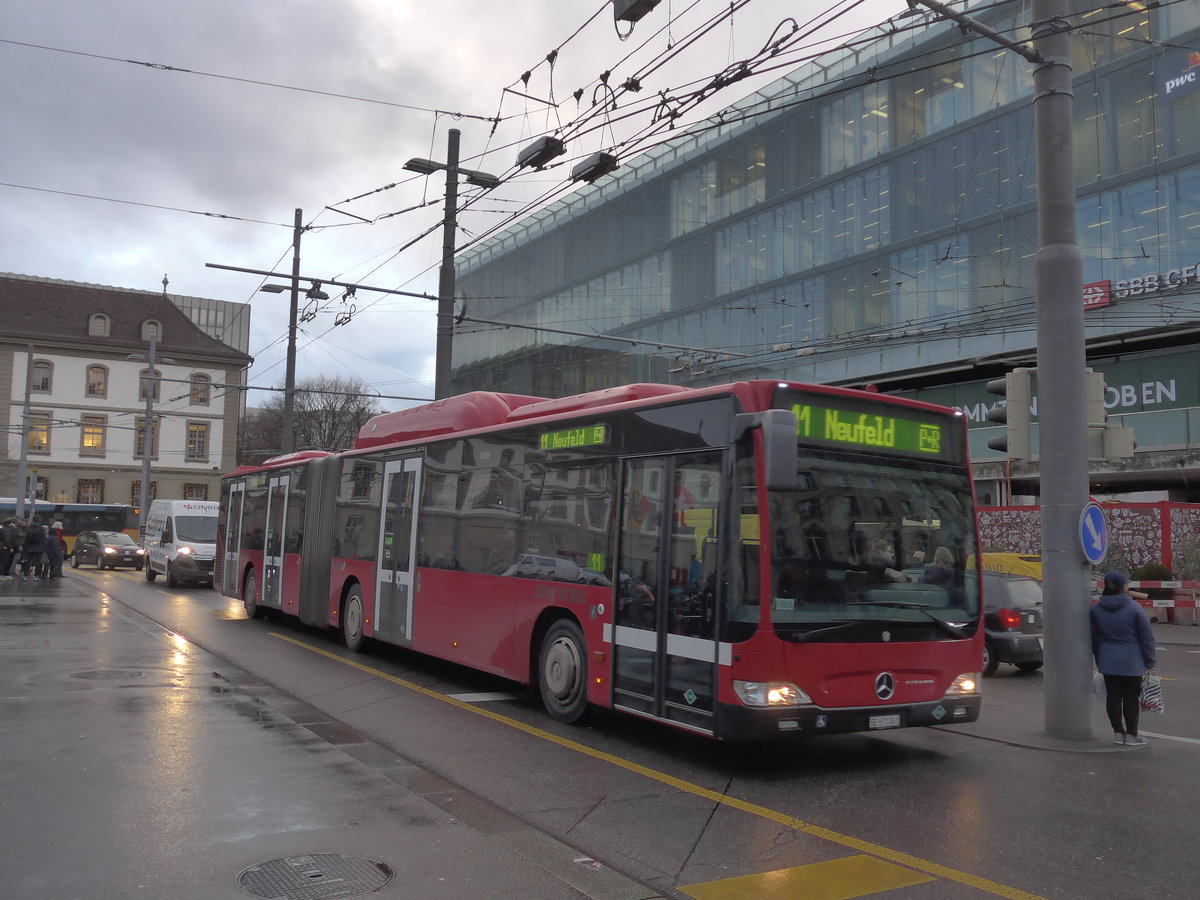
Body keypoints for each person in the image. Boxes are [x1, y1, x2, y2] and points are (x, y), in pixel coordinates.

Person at [1090, 570, 1157, 747]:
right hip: (1131, 660)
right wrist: (1150, 661)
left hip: (1108, 658)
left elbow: (1094, 638)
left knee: (1113, 696)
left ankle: (1118, 733)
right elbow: (1146, 637)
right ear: (1123, 587)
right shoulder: (1134, 608)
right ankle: (1132, 735)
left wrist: (1099, 658)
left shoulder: (1096, 609)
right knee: (1130, 697)